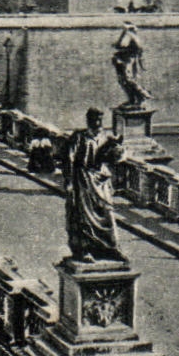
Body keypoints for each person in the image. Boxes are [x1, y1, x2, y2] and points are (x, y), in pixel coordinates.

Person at [64, 107, 127, 263]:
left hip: (101, 181)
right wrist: (69, 181)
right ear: (89, 121)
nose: (98, 123)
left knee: (107, 214)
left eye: (100, 119)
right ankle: (84, 250)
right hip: (83, 180)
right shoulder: (79, 137)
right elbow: (69, 159)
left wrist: (118, 153)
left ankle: (112, 247)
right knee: (84, 217)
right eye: (94, 119)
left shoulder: (106, 137)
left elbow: (113, 158)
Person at [111, 22, 153, 108]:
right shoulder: (133, 36)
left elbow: (121, 45)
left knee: (127, 79)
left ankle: (142, 95)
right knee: (124, 80)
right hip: (128, 59)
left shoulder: (129, 35)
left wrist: (123, 34)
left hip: (127, 60)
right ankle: (133, 99)